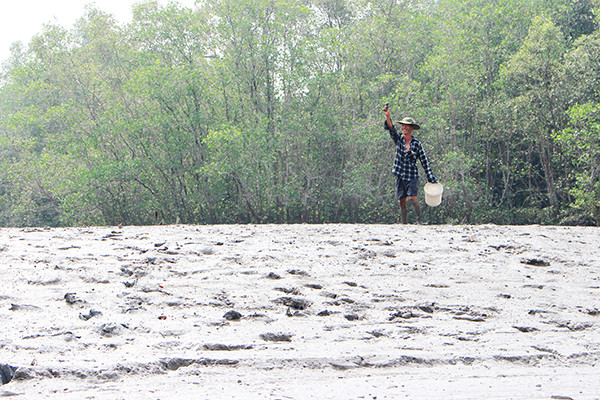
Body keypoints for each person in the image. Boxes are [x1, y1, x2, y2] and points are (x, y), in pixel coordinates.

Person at [383, 104, 437, 224]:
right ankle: (404, 223)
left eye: (407, 126)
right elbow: (391, 130)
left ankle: (420, 220)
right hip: (400, 175)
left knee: (412, 197)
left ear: (412, 128)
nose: (404, 128)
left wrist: (430, 177)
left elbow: (424, 161)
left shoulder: (417, 144)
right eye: (403, 125)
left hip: (412, 176)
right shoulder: (399, 140)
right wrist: (388, 116)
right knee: (402, 201)